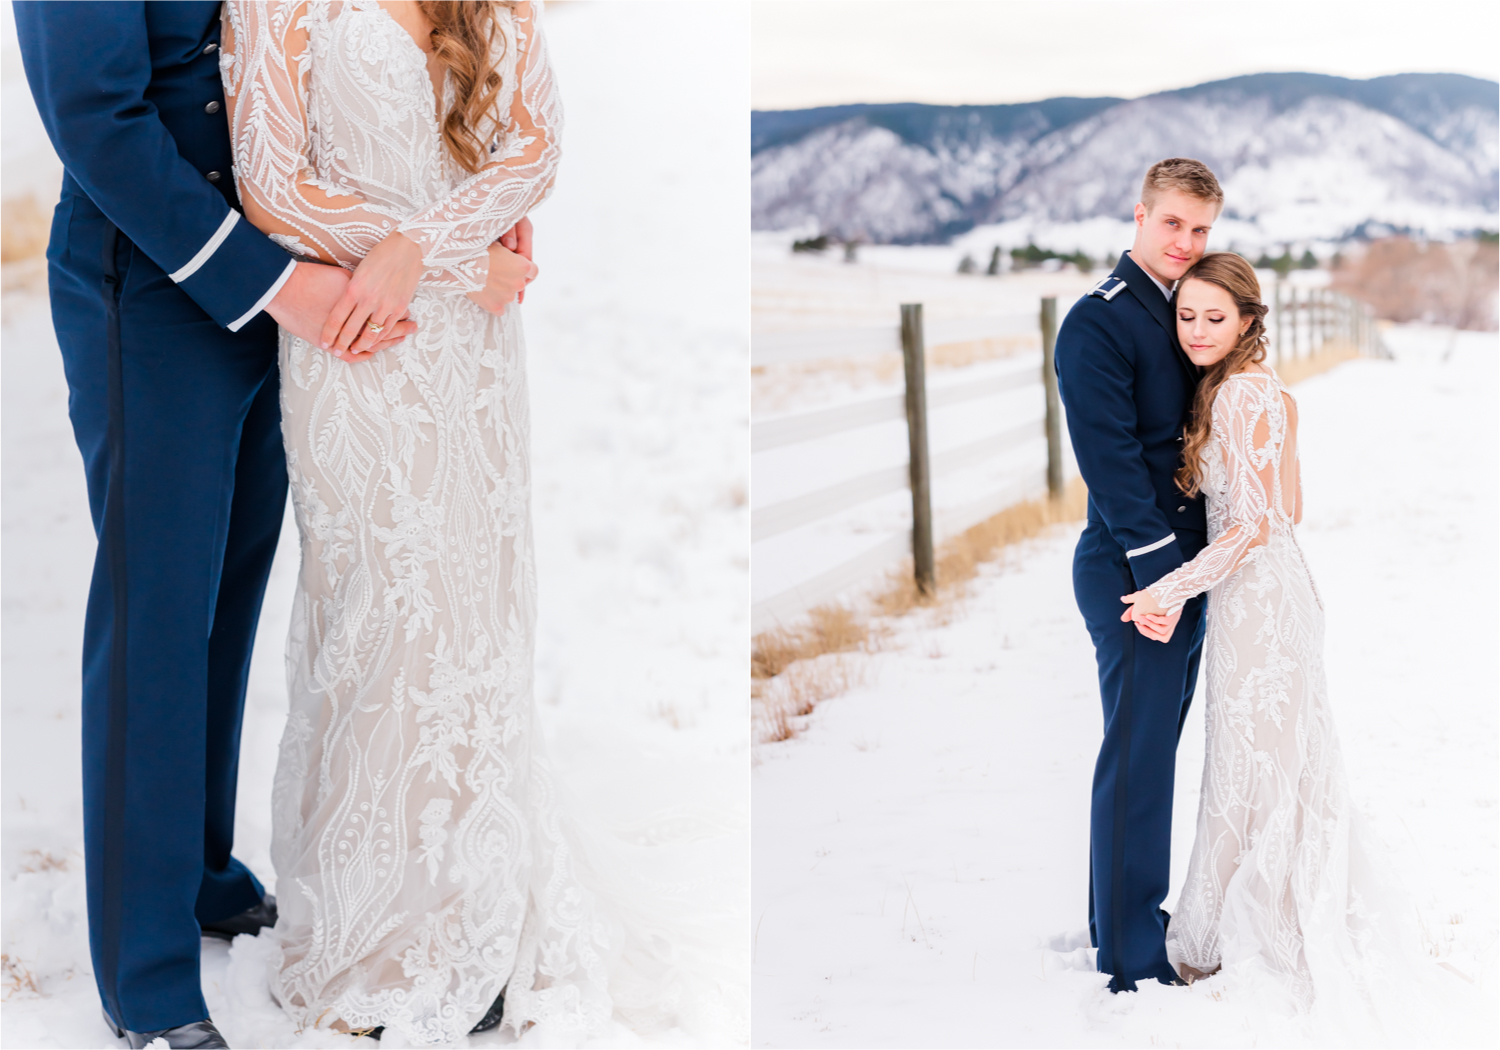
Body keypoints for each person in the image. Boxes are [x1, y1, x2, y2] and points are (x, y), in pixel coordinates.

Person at [12, 3, 534, 1046]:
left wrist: (453, 219)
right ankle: (146, 977)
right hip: (161, 285)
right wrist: (274, 283)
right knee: (157, 616)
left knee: (231, 589)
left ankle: (200, 872)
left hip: (293, 274)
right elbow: (95, 117)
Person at [219, 2, 612, 1044]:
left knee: (473, 608)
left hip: (473, 346)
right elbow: (270, 185)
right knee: (379, 611)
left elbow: (534, 146)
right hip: (354, 336)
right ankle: (373, 929)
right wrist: (437, 262)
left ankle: (475, 902)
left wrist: (422, 252)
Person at [1120, 253, 1408, 1010]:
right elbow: (1291, 508)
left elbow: (1251, 523)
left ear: (1249, 320)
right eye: (1186, 316)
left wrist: (1170, 587)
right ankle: (1244, 916)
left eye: (1216, 318)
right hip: (1273, 591)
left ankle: (1243, 931)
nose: (1197, 331)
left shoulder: (1243, 397)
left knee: (1252, 764)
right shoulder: (1266, 391)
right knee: (1264, 763)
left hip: (1258, 600)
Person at [1053, 158, 1223, 992]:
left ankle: (1113, 921)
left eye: (1200, 230)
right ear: (1140, 215)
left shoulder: (1187, 311)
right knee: (1141, 757)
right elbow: (1114, 465)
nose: (1186, 243)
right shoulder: (1097, 323)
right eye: (1173, 225)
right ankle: (1130, 954)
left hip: (1185, 572)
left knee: (1147, 751)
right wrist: (1161, 581)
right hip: (1134, 571)